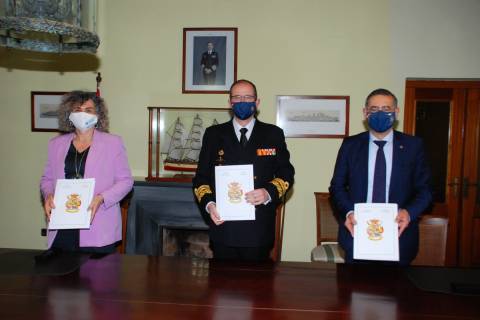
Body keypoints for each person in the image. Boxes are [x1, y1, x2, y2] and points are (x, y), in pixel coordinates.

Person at [193, 79, 295, 261]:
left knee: (257, 288)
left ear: (257, 102)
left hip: (258, 229)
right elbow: (201, 178)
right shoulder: (213, 134)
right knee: (221, 287)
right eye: (237, 98)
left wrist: (268, 192)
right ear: (230, 103)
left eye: (248, 97)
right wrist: (210, 205)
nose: (242, 102)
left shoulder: (273, 134)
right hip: (223, 227)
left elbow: (286, 173)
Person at [329, 88, 432, 266]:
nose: (380, 114)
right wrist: (349, 212)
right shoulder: (350, 145)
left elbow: (426, 190)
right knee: (354, 292)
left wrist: (408, 213)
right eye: (374, 109)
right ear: (365, 113)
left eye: (386, 109)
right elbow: (337, 187)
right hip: (357, 235)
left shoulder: (413, 146)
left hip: (400, 237)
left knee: (398, 292)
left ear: (396, 112)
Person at [40, 91, 133, 254]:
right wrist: (48, 195)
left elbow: (126, 181)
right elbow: (47, 179)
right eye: (77, 109)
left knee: (97, 278)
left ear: (98, 115)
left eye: (88, 110)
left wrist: (101, 198)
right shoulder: (55, 144)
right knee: (60, 277)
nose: (82, 114)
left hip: (98, 226)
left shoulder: (113, 143)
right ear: (69, 115)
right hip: (62, 225)